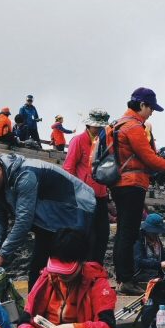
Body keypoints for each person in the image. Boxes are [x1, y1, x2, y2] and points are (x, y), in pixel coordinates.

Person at [0, 151, 95, 287]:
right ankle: (35, 306)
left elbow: (24, 220)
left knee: (69, 267)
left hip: (75, 211)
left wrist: (2, 256)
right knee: (38, 270)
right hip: (45, 220)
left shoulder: (26, 174)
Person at [16, 229, 122, 328]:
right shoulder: (46, 278)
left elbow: (107, 327)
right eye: (58, 270)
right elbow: (24, 320)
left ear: (81, 262)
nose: (61, 276)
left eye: (66, 271)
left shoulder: (97, 283)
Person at [107, 87, 165, 295]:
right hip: (132, 183)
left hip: (119, 183)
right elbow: (149, 158)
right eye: (151, 108)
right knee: (128, 234)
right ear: (141, 105)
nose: (152, 112)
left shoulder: (117, 124)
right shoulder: (133, 127)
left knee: (123, 233)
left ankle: (123, 277)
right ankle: (127, 280)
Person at [63, 108, 112, 264]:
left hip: (102, 195)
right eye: (96, 126)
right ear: (89, 125)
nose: (99, 129)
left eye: (101, 126)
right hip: (83, 196)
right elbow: (69, 168)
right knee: (86, 234)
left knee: (103, 234)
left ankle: (97, 266)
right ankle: (83, 265)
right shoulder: (78, 141)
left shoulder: (105, 142)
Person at [133, 213, 165, 284]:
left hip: (155, 272)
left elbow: (162, 258)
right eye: (154, 232)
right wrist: (159, 264)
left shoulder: (156, 239)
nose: (156, 234)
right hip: (140, 273)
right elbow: (139, 261)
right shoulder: (139, 239)